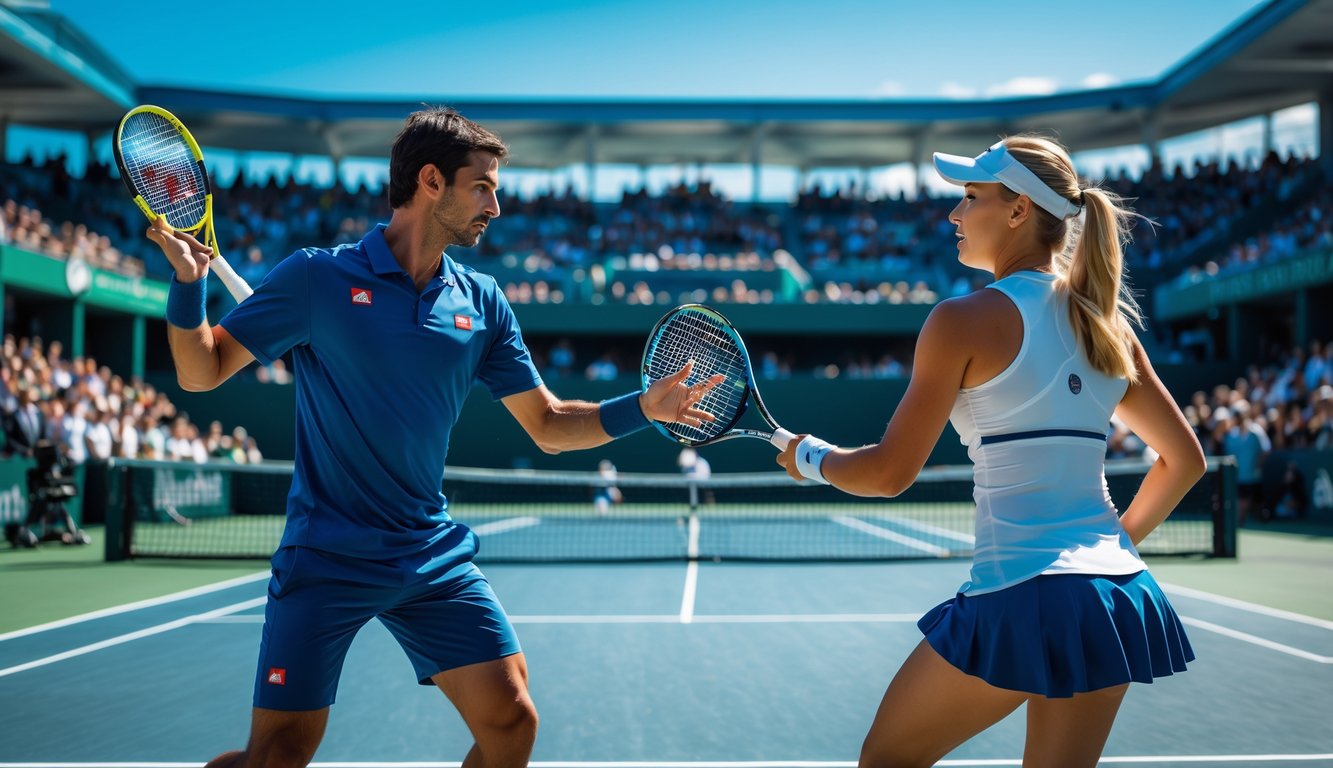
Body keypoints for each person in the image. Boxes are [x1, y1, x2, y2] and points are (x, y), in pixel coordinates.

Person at [145, 107, 720, 768]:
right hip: (327, 557)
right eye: (484, 186)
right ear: (429, 182)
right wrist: (188, 289)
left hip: (428, 556)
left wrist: (642, 408)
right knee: (277, 755)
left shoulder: (483, 303)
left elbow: (551, 426)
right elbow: (201, 370)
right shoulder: (315, 278)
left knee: (511, 721)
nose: (496, 206)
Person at [777, 135, 1207, 767]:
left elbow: (890, 473)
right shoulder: (1108, 326)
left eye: (971, 198)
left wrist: (808, 456)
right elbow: (1185, 461)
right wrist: (1112, 547)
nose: (954, 215)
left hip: (1022, 595)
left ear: (1018, 212)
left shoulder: (960, 321)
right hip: (1116, 597)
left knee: (884, 761)